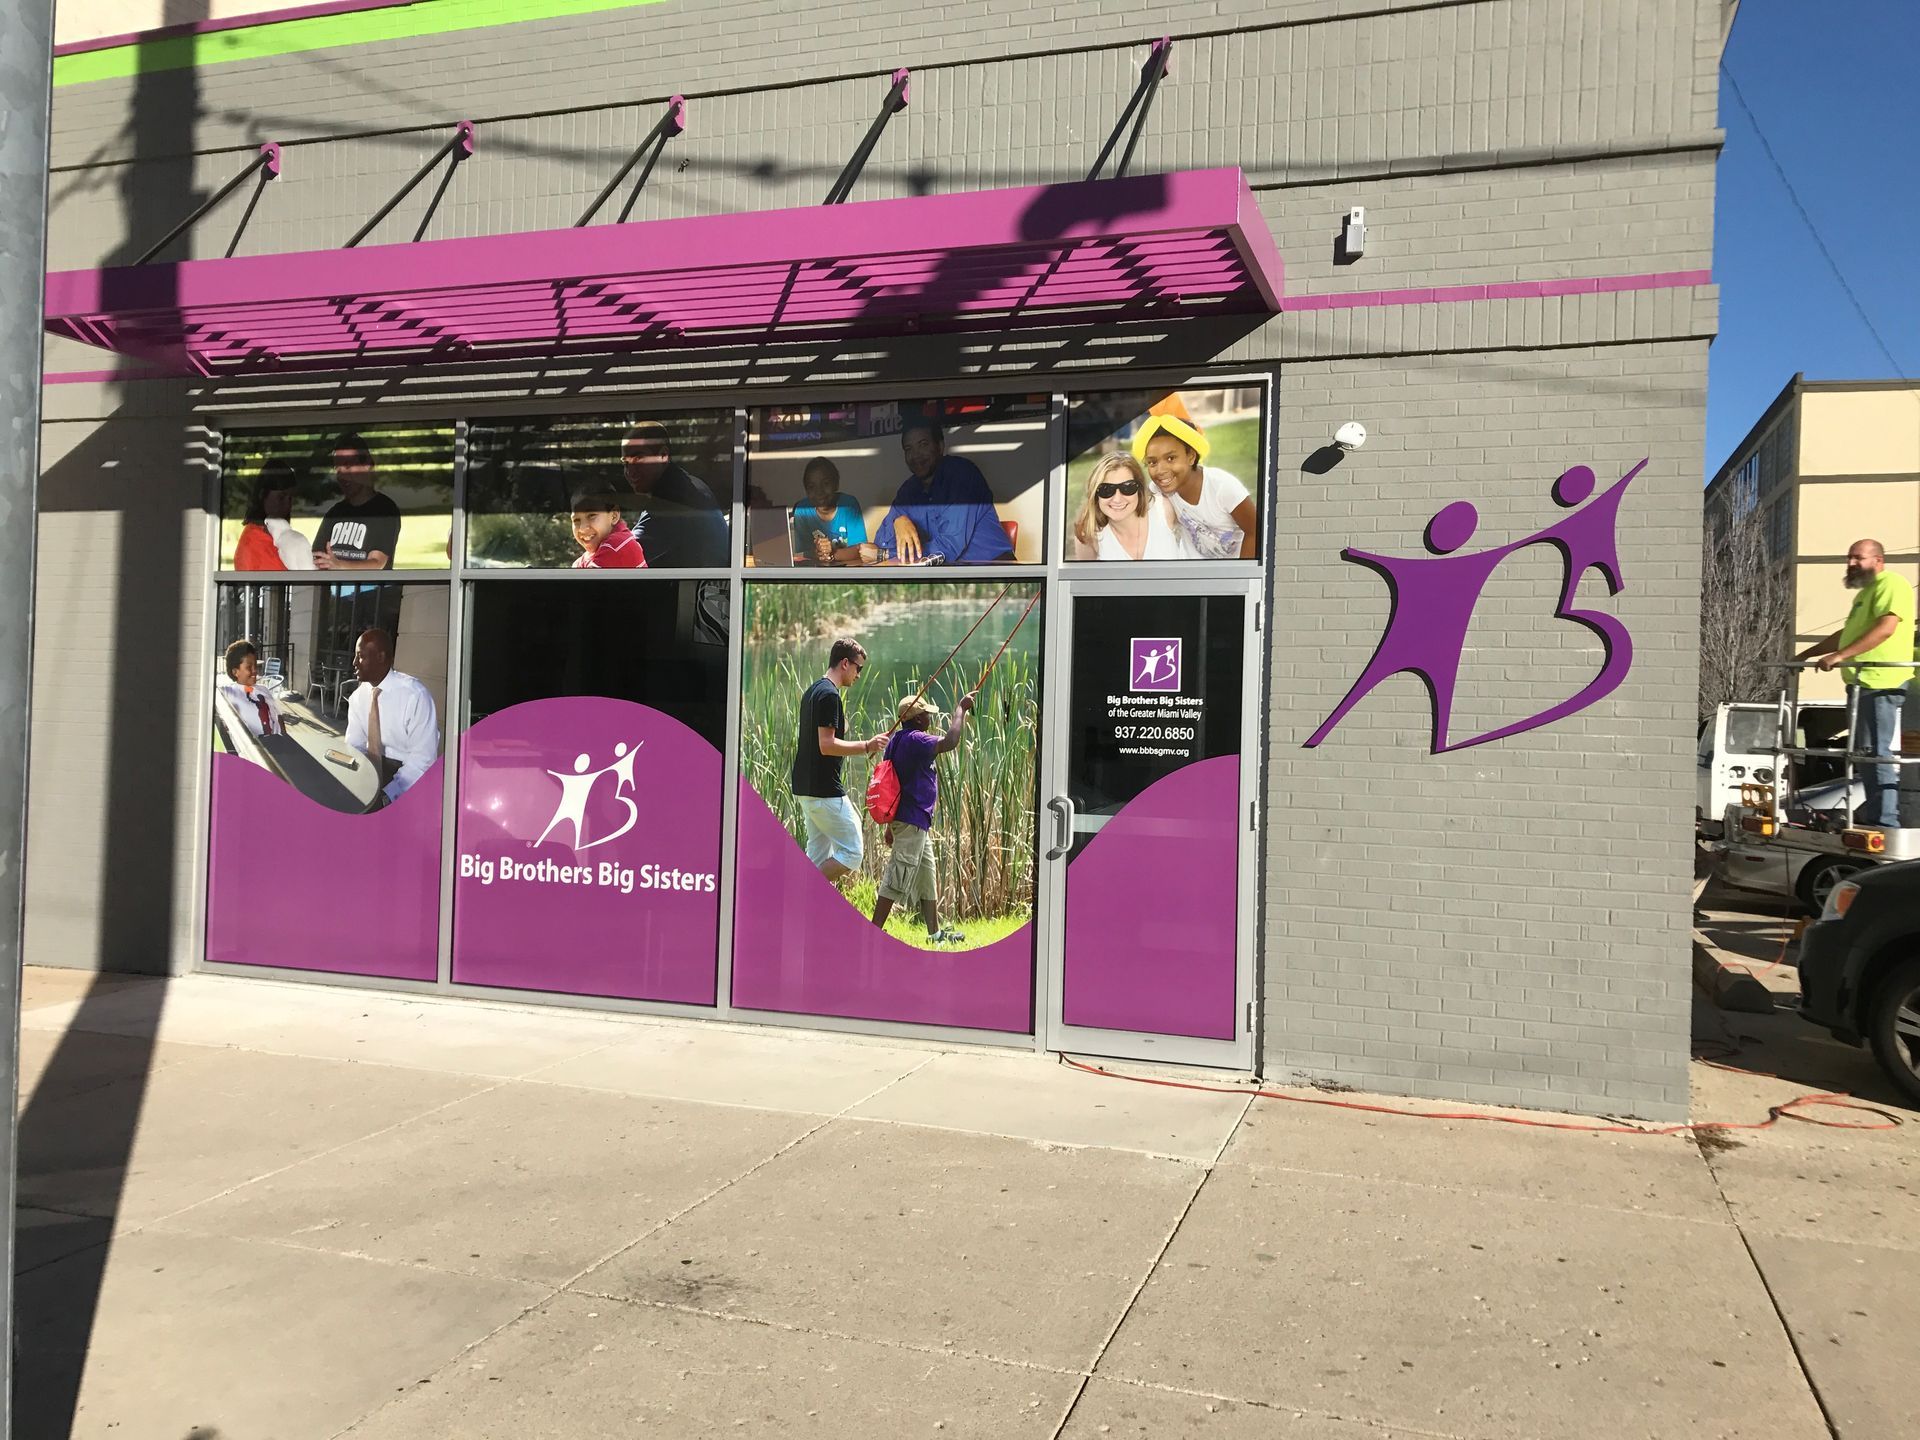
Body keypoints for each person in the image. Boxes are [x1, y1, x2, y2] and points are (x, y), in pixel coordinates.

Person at [1799, 538, 1916, 829]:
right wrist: (1806, 654)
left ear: (1878, 560)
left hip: (1881, 681)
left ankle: (1885, 821)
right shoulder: (1865, 595)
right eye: (1849, 558)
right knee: (1865, 755)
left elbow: (1886, 628)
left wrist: (1839, 656)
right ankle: (1873, 813)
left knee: (1878, 753)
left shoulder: (1892, 584)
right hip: (1862, 683)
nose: (1851, 564)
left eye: (1858, 558)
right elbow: (1846, 634)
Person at [871, 690, 975, 943]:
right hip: (912, 820)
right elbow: (950, 742)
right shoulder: (916, 740)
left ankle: (935, 934)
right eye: (926, 715)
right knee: (898, 875)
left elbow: (893, 783)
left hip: (910, 821)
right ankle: (872, 933)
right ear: (917, 719)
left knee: (926, 875)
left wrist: (889, 827)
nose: (929, 718)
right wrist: (960, 710)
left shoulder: (896, 740)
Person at [791, 639, 886, 881]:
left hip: (806, 789)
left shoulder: (813, 691)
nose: (859, 675)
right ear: (845, 663)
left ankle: (807, 914)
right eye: (858, 668)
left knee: (818, 856)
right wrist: (868, 746)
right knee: (853, 852)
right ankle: (799, 890)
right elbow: (827, 745)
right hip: (824, 792)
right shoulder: (829, 696)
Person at [867, 415, 1014, 565]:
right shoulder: (908, 490)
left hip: (996, 573)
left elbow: (947, 549)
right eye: (908, 449)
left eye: (923, 444)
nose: (916, 455)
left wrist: (887, 554)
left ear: (940, 446)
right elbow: (881, 543)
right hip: (945, 577)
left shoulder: (961, 474)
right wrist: (897, 522)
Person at [1132, 413, 1257, 559]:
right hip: (1194, 573)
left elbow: (1254, 531)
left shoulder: (1223, 487)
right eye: (1152, 462)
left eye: (1171, 458)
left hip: (1231, 571)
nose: (1161, 470)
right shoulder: (1157, 490)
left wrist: (1240, 577)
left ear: (1191, 456)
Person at [343, 627, 440, 808]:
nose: (354, 662)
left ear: (381, 657)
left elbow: (423, 760)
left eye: (360, 656)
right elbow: (354, 745)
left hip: (407, 779)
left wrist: (388, 796)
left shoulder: (415, 695)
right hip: (369, 771)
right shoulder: (358, 697)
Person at [621, 420, 730, 567]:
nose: (630, 471)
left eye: (638, 458)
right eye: (625, 463)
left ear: (663, 455)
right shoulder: (687, 483)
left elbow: (623, 555)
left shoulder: (672, 497)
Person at [1070, 453, 1193, 561]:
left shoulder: (1164, 509)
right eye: (1106, 490)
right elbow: (1085, 583)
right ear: (1095, 494)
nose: (1117, 499)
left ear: (1139, 489)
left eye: (1127, 487)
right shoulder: (1088, 532)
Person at [311, 431, 403, 571]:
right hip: (334, 593)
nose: (342, 475)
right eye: (338, 469)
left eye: (348, 466)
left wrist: (339, 565)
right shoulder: (335, 513)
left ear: (367, 465)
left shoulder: (385, 509)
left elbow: (377, 563)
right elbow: (317, 558)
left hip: (369, 593)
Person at [233, 461, 315, 572]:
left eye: (290, 499)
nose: (287, 506)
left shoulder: (278, 536)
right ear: (263, 495)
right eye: (281, 497)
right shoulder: (254, 540)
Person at [792, 457, 868, 565]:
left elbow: (861, 550)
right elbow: (802, 554)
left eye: (826, 483)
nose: (819, 492)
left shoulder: (848, 505)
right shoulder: (802, 510)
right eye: (812, 487)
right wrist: (818, 553)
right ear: (806, 490)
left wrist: (831, 553)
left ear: (836, 484)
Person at [216, 639, 284, 737]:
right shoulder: (227, 692)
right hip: (255, 747)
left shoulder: (263, 690)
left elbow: (278, 715)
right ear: (235, 672)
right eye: (249, 667)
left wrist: (285, 736)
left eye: (255, 666)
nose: (255, 670)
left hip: (278, 743)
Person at [569, 484, 647, 569]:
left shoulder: (616, 546)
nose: (582, 528)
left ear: (614, 516)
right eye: (576, 520)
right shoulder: (591, 555)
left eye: (591, 515)